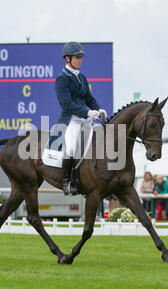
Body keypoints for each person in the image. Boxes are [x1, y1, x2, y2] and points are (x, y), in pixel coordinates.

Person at [55, 42, 107, 196]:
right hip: (71, 119)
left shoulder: (82, 78)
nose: (80, 60)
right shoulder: (61, 79)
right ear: (67, 59)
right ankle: (66, 182)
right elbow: (67, 104)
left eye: (81, 57)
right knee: (71, 148)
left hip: (85, 118)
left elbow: (89, 98)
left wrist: (98, 109)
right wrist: (88, 112)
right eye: (77, 57)